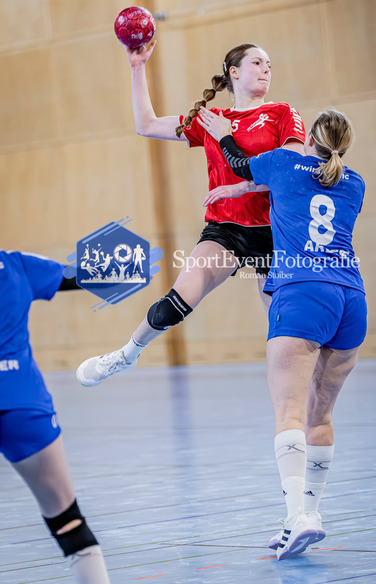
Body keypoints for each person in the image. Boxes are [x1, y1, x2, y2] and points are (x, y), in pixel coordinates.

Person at [76, 41, 305, 387]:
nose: (266, 69)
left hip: (277, 231)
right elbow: (147, 125)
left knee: (286, 332)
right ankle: (126, 354)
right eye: (257, 62)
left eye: (269, 64)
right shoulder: (211, 120)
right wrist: (137, 67)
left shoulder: (282, 113)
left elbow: (291, 171)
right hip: (226, 229)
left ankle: (300, 406)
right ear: (234, 72)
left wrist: (243, 186)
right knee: (175, 302)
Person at [197, 106, 367, 559]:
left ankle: (298, 518)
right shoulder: (355, 183)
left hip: (302, 293)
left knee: (288, 413)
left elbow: (239, 163)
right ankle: (308, 513)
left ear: (307, 138)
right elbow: (299, 187)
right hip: (351, 299)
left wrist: (224, 133)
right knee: (320, 416)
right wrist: (245, 185)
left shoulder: (283, 161)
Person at [0, 250, 110, 583]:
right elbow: (74, 274)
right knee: (68, 521)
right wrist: (125, 265)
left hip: (22, 402)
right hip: (20, 402)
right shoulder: (16, 264)